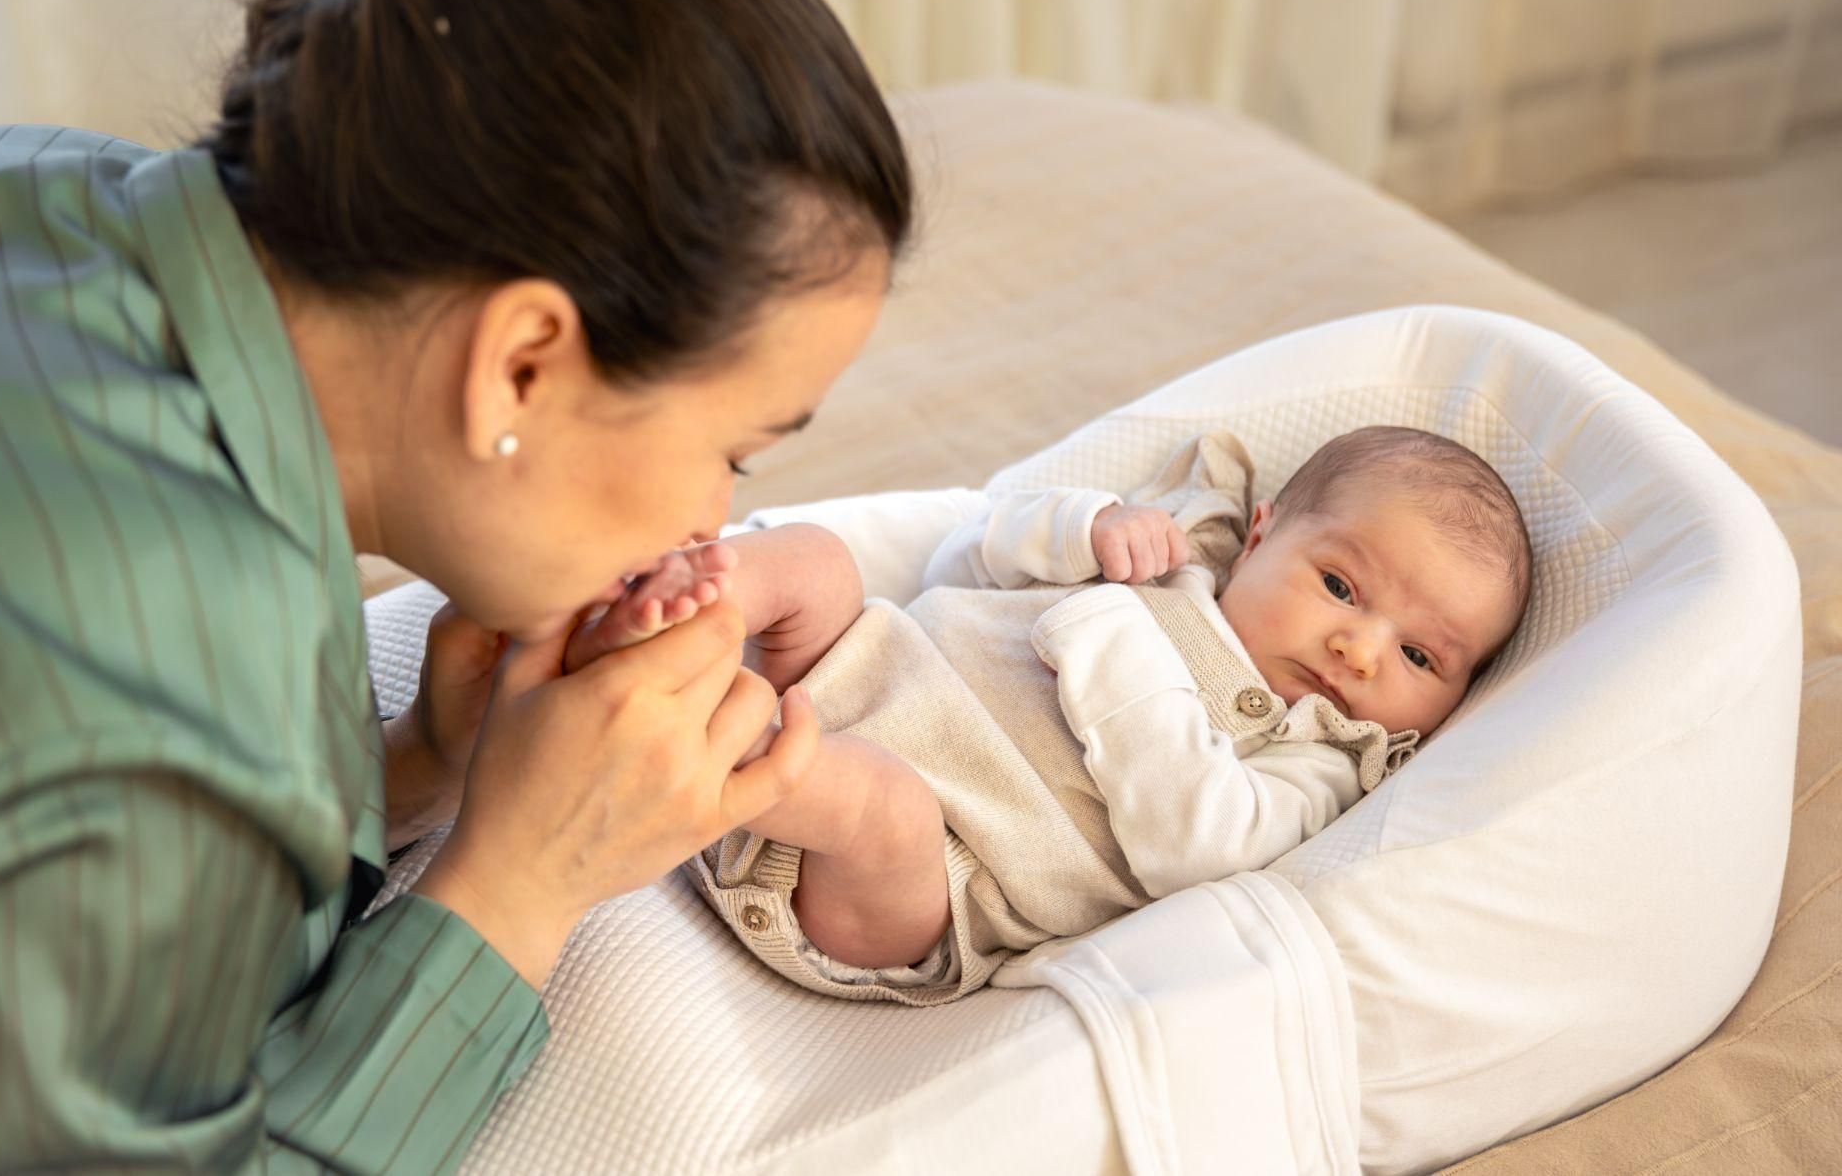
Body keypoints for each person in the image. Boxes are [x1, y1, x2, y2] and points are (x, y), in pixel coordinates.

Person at [0, 0, 910, 1173]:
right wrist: (515, 885)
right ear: (521, 365)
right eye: (732, 447)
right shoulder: (145, 713)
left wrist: (399, 770)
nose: (714, 519)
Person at [569, 426, 1531, 1004]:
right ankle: (655, 608)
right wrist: (1084, 526)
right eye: (1338, 584)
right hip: (852, 671)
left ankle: (685, 738)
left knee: (882, 807)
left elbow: (1199, 846)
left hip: (923, 878)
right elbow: (962, 562)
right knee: (817, 561)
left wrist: (1119, 645)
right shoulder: (1166, 561)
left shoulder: (1316, 757)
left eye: (1418, 655)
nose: (1358, 650)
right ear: (1266, 532)